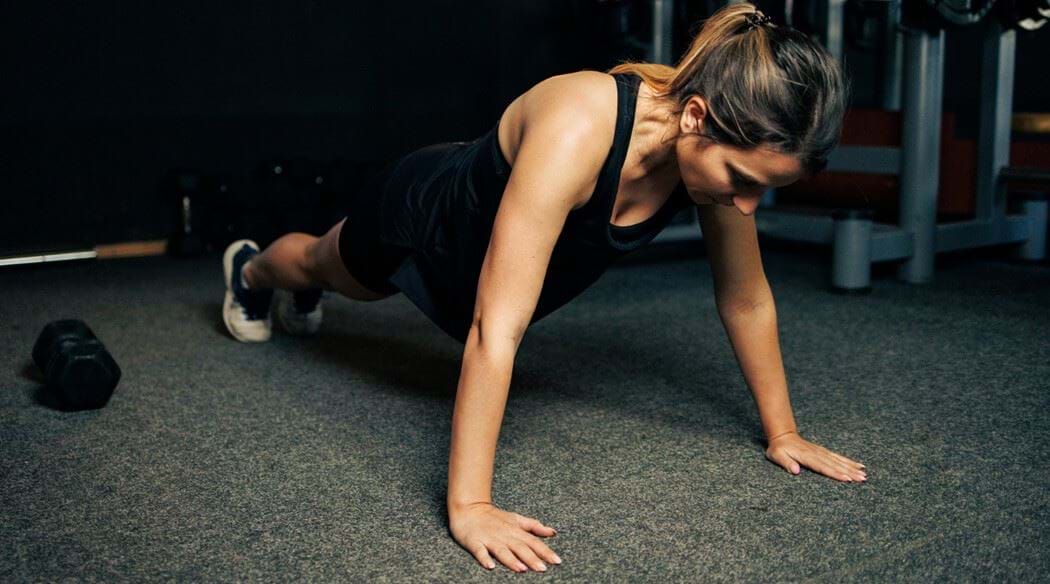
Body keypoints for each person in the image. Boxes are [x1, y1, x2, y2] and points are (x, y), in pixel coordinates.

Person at [220, 3, 865, 573]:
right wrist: (470, 504)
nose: (748, 205)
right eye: (743, 180)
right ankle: (249, 272)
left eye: (763, 189)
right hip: (424, 219)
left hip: (496, 259)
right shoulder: (579, 127)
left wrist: (782, 432)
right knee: (320, 266)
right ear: (697, 117)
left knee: (350, 279)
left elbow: (746, 298)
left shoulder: (713, 156)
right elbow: (495, 327)